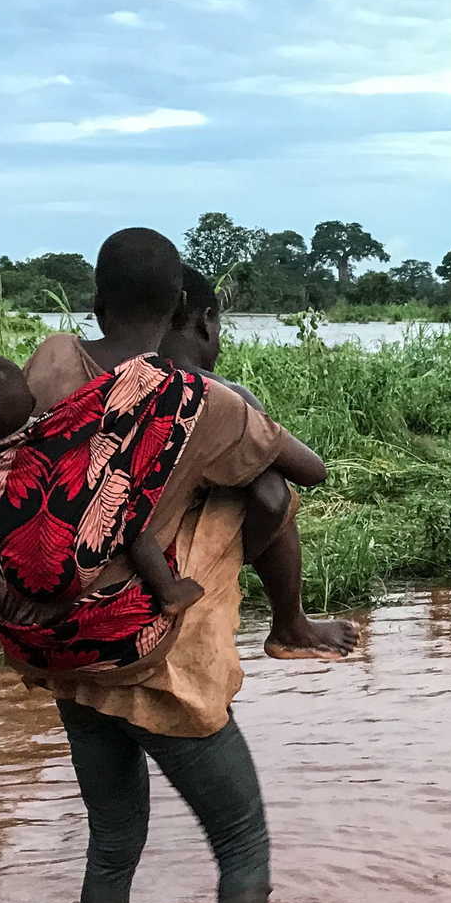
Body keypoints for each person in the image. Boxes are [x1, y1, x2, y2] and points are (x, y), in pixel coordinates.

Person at [0, 227, 319, 903]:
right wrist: (213, 396)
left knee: (113, 838)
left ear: (94, 301)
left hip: (68, 655)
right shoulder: (205, 403)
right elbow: (299, 475)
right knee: (242, 843)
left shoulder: (54, 361)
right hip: (156, 661)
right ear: (182, 311)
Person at [154, 265, 360, 660]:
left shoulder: (89, 382)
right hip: (176, 570)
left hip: (86, 570)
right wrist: (240, 557)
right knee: (271, 482)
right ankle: (289, 624)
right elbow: (282, 492)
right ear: (205, 321)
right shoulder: (216, 396)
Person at [0, 354, 206, 617]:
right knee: (124, 504)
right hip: (80, 567)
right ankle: (169, 592)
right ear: (33, 403)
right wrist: (149, 369)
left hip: (22, 585)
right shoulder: (57, 431)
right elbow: (97, 408)